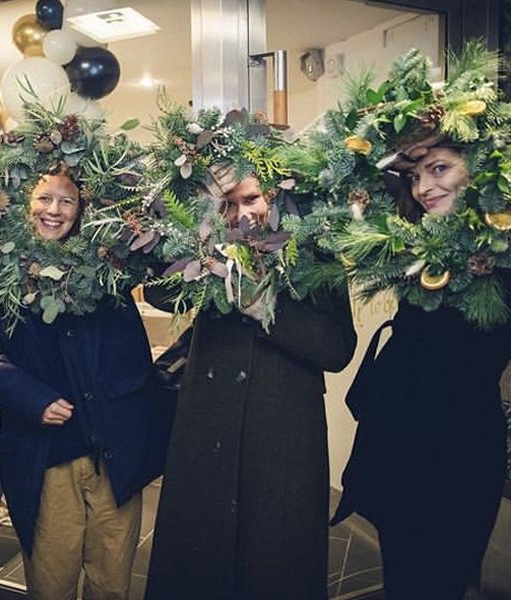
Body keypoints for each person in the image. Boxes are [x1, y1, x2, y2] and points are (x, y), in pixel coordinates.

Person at [332, 141, 511, 598]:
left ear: (485, 169)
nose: (422, 188)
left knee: (439, 581)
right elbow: (350, 174)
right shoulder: (423, 243)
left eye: (439, 169)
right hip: (392, 444)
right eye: (414, 175)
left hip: (458, 455)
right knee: (404, 579)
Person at [144, 165, 358, 600]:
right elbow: (157, 290)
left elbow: (337, 348)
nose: (240, 213)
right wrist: (202, 218)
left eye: (252, 199)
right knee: (199, 560)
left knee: (275, 561)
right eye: (230, 203)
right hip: (208, 426)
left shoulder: (313, 254)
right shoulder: (209, 252)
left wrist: (264, 308)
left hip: (281, 435)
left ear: (276, 199)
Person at [0, 164, 172, 600]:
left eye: (67, 200)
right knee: (52, 579)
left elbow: (158, 288)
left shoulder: (106, 267)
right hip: (47, 454)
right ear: (24, 202)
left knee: (112, 579)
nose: (54, 211)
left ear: (81, 209)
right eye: (44, 198)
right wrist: (32, 399)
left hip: (114, 454)